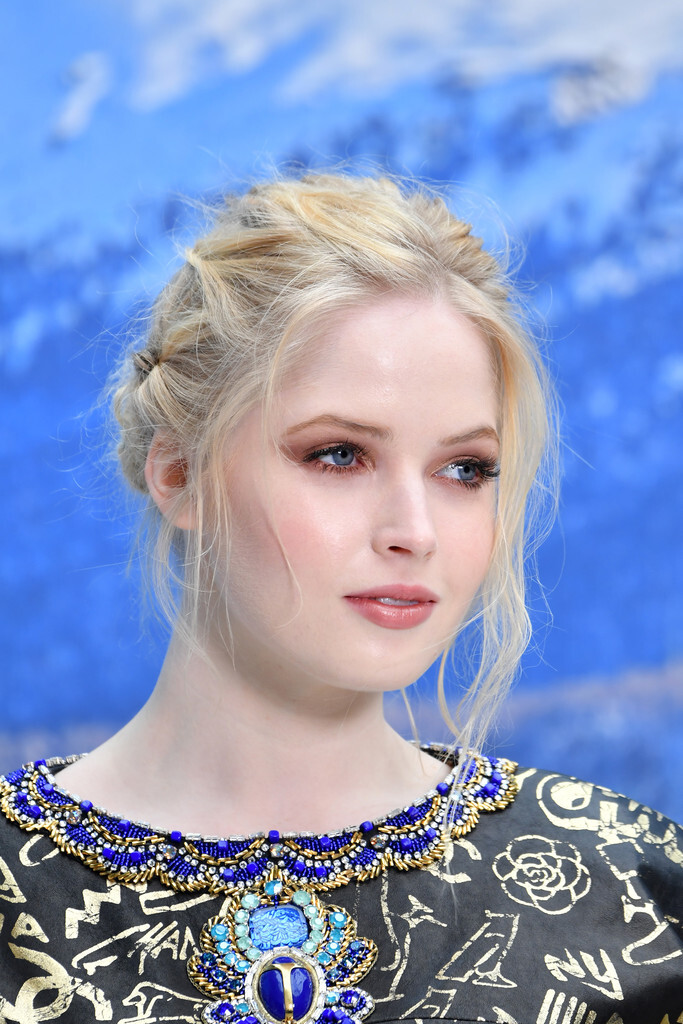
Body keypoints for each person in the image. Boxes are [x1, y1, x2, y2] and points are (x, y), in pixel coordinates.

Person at [0, 173, 680, 1023]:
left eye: (464, 469)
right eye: (338, 455)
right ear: (178, 474)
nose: (414, 531)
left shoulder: (629, 894)